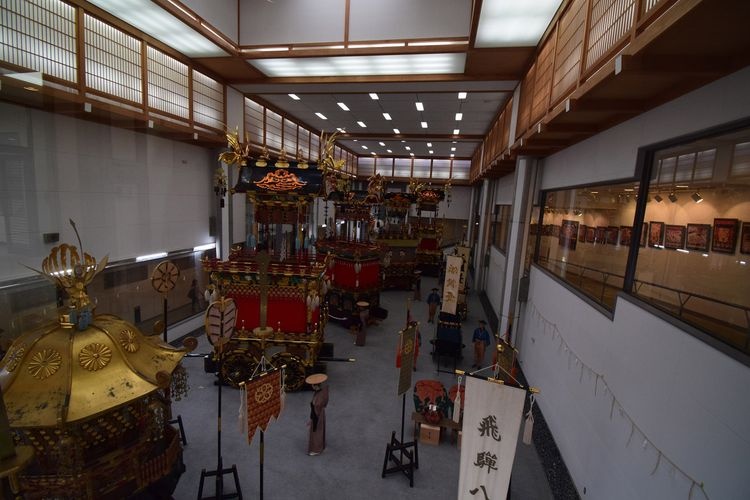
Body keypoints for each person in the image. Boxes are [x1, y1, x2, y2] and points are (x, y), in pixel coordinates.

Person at [306, 373, 329, 456]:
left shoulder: (318, 397)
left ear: (315, 386)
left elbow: (315, 407)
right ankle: (321, 446)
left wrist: (312, 419)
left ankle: (316, 449)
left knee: (316, 432)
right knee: (319, 430)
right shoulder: (322, 392)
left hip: (317, 415)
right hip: (320, 413)